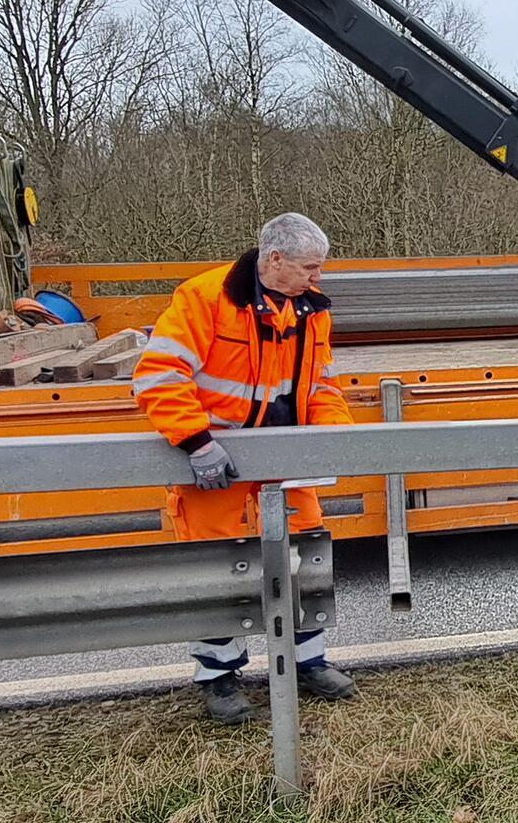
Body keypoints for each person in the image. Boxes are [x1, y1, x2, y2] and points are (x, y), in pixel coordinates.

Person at [132, 212, 358, 722]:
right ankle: (219, 676)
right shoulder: (205, 299)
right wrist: (196, 441)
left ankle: (308, 661)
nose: (316, 278)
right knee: (217, 567)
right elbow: (159, 375)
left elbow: (322, 384)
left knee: (305, 553)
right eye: (309, 268)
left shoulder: (311, 310)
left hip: (286, 458)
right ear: (273, 259)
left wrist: (333, 437)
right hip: (218, 462)